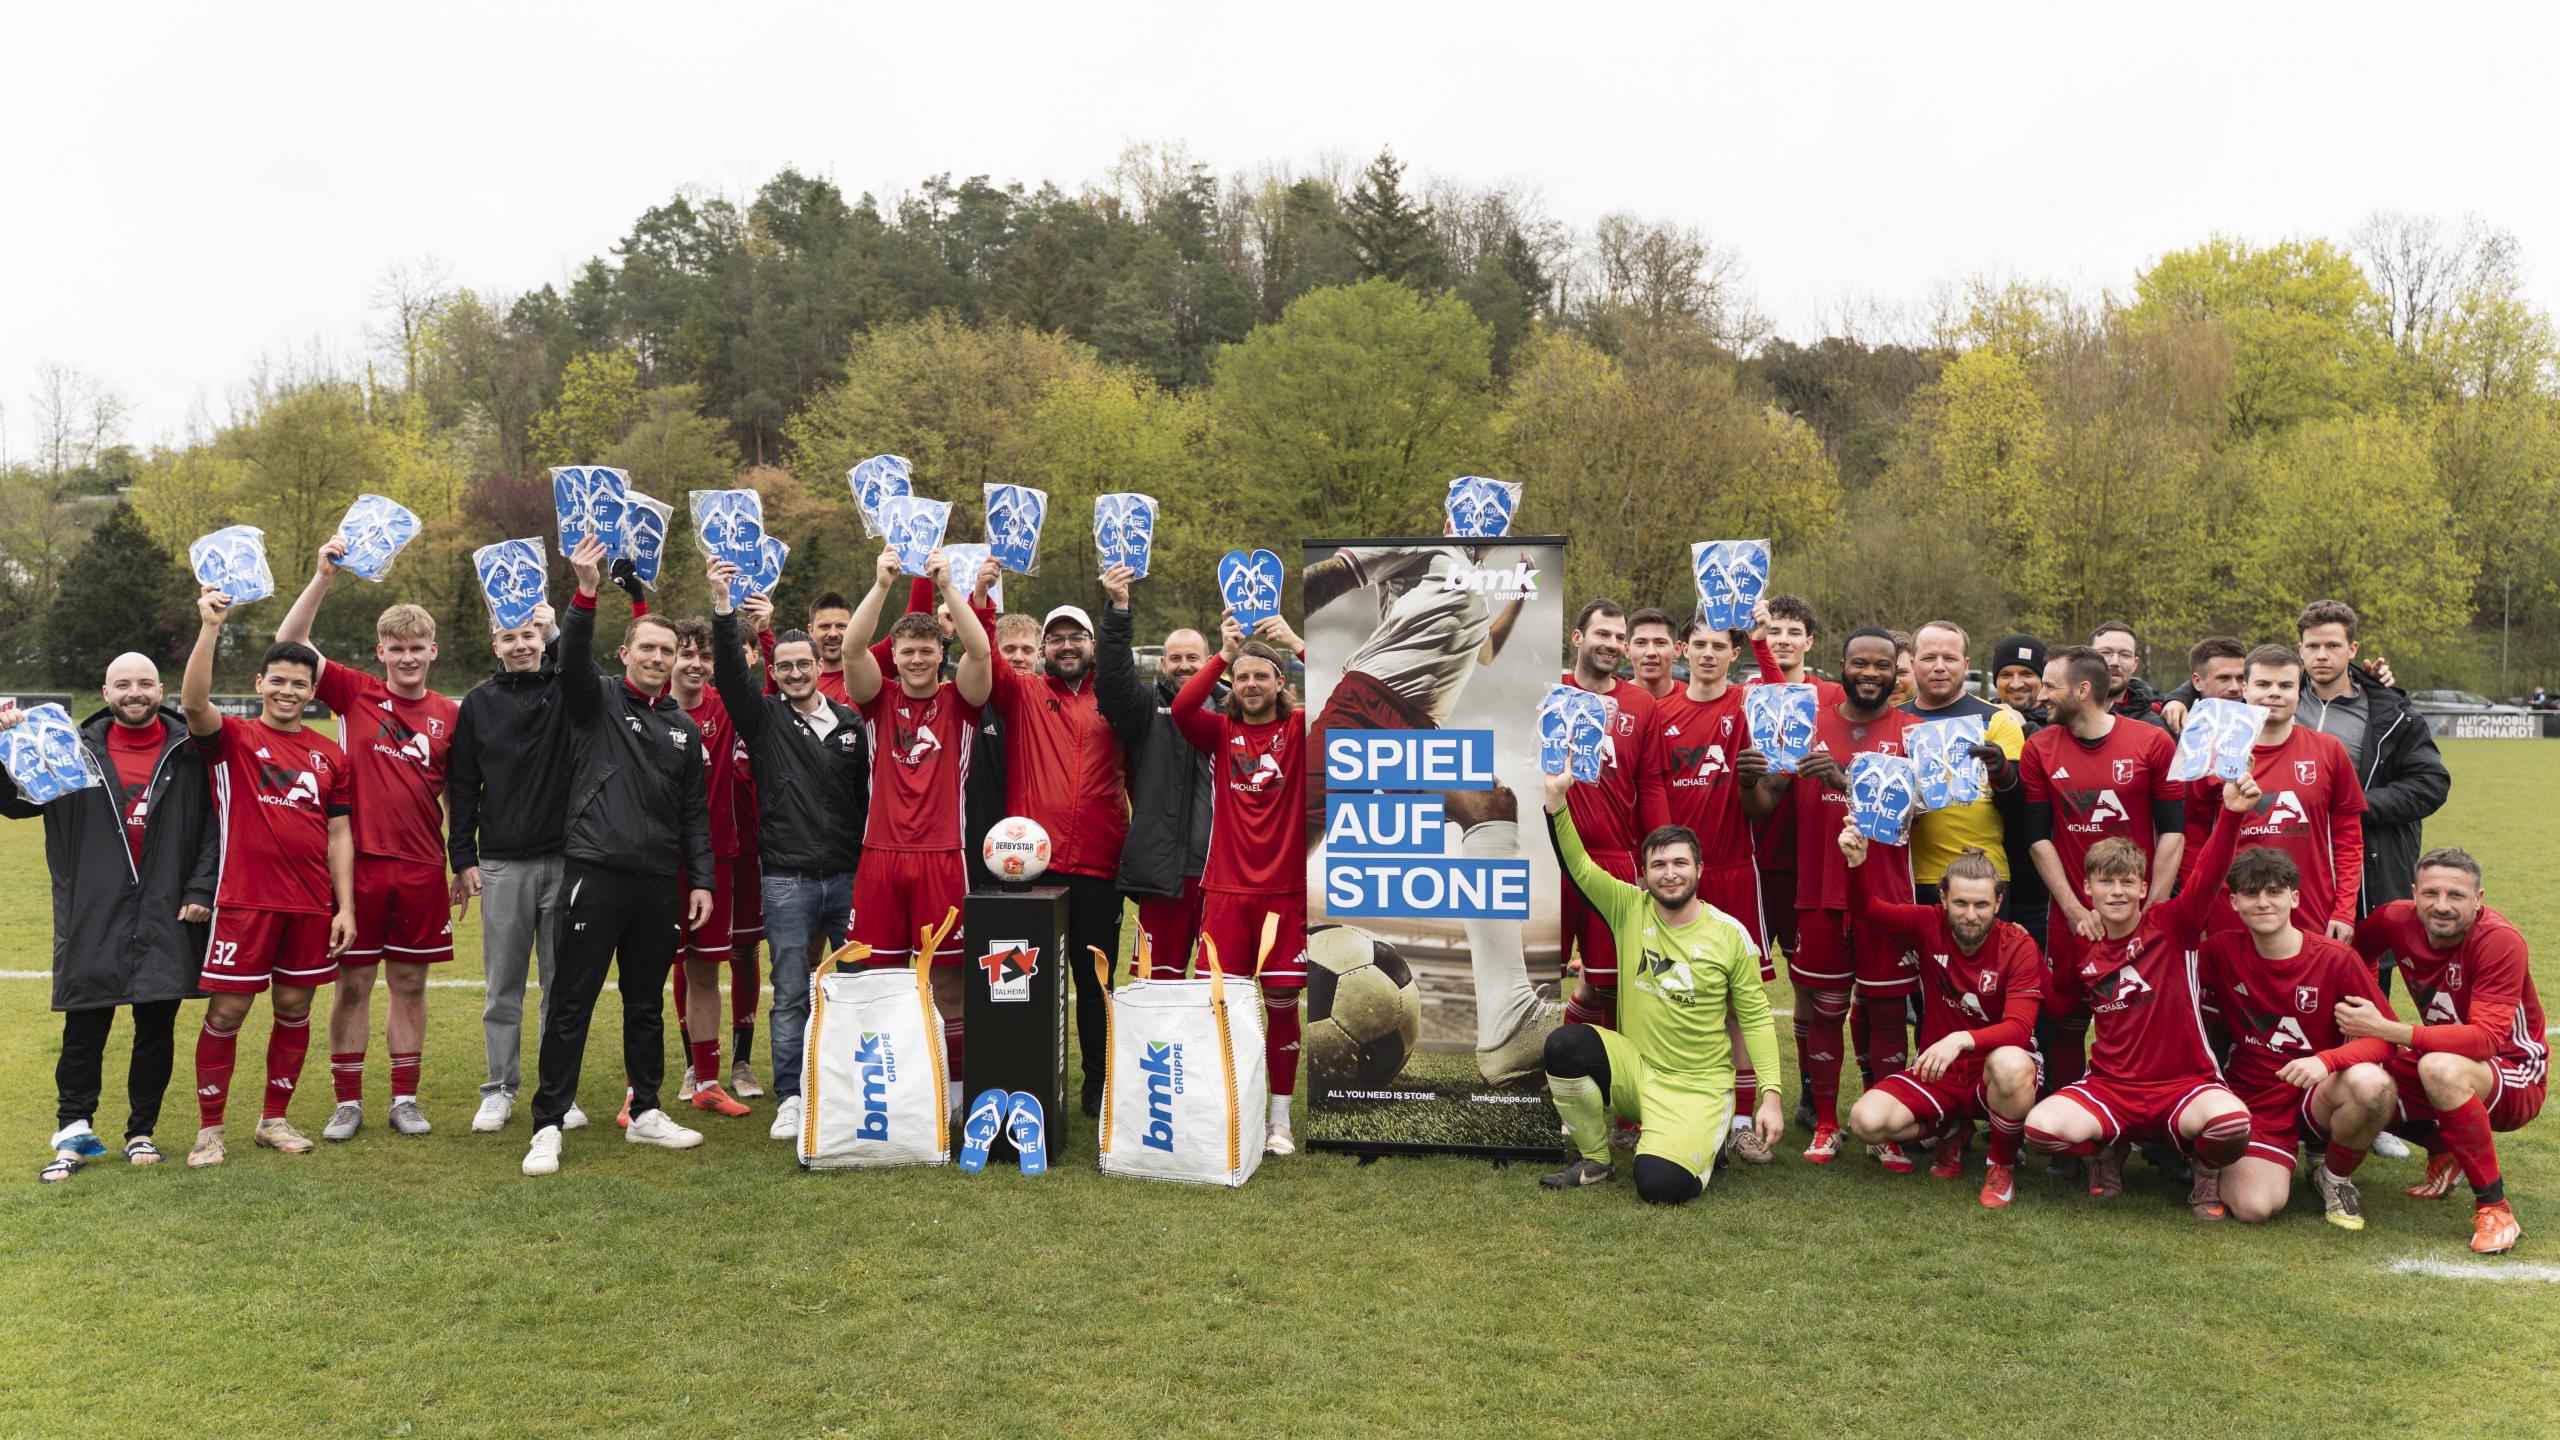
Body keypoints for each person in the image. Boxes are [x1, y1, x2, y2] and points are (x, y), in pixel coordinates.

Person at [1298, 540, 1546, 1086]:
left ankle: (1509, 1026)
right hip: (1364, 702)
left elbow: (1486, 651)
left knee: (1492, 804)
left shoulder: (1475, 588)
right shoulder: (1428, 547)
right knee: (1296, 840)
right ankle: (1257, 967)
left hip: (1418, 726)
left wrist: (1518, 593)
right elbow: (1334, 575)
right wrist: (1286, 615)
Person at [520, 536, 715, 1178]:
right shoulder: (596, 700)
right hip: (595, 873)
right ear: (627, 652)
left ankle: (647, 1111)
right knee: (571, 1002)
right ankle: (548, 1123)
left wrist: (701, 880)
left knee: (645, 1002)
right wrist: (585, 592)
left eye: (668, 651)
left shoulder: (683, 728)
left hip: (657, 884)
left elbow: (694, 814)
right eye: (648, 648)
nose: (658, 658)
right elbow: (572, 656)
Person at [3, 660, 217, 1181]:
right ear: (106, 692)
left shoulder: (190, 751)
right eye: (123, 684)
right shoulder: (70, 748)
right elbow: (15, 805)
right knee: (84, 1027)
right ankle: (73, 1132)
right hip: (94, 909)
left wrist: (199, 889)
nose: (134, 693)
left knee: (156, 1028)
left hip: (166, 907)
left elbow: (215, 826)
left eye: (144, 684)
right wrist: (4, 744)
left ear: (161, 689)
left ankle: (141, 1132)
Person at [276, 538, 457, 1142]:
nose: (407, 658)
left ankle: (405, 1099)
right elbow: (291, 642)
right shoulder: (354, 692)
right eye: (396, 648)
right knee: (352, 985)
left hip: (422, 868)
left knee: (410, 984)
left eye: (416, 648)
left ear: (432, 650)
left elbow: (458, 794)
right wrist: (323, 577)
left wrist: (462, 861)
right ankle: (347, 1102)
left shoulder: (451, 714)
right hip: (357, 868)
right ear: (381, 651)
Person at [1537, 768, 1785, 1201]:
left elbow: (1757, 1021)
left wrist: (1772, 1098)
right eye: (1659, 865)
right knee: (1564, 1045)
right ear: (1646, 872)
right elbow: (1578, 866)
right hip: (1636, 1072)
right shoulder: (1628, 908)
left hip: (1697, 1087)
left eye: (1680, 863)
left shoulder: (1730, 935)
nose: (1670, 874)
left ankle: (1704, 1141)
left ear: (1699, 869)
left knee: (1659, 1185)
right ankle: (1595, 1161)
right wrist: (1557, 802)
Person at [2025, 776, 2260, 1217]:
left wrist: (2230, 815)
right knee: (2041, 1130)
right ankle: (2108, 1149)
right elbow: (2058, 1004)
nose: (2116, 892)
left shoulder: (2173, 924)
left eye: (2126, 882)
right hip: (2112, 1086)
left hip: (2184, 1082)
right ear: (2087, 889)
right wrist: (2029, 958)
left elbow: (2208, 876)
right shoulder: (2082, 944)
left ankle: (2204, 1168)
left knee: (2230, 1124)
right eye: (2105, 882)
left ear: (2142, 888)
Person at [179, 588, 357, 1168]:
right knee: (226, 1014)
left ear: (313, 692)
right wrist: (210, 628)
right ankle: (210, 1131)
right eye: (277, 680)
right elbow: (193, 702)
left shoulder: (331, 756)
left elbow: (339, 835)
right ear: (259, 683)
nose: (288, 690)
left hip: (309, 906)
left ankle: (273, 1120)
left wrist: (345, 907)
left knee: (294, 1010)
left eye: (300, 683)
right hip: (244, 903)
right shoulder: (232, 738)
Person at [708, 559, 868, 1146]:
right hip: (786, 880)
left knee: (855, 989)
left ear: (819, 667)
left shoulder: (851, 723)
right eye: (786, 666)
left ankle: (851, 1089)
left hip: (848, 877)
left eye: (805, 664)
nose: (797, 673)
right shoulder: (765, 719)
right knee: (792, 992)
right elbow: (731, 677)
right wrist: (723, 607)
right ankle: (792, 1097)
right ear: (773, 673)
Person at [1750, 627, 1914, 1167]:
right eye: (1860, 663)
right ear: (1841, 665)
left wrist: (1845, 782)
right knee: (1824, 1008)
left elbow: (1914, 815)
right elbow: (1764, 805)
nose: (1871, 673)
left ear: (1896, 672)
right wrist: (1751, 781)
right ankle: (1824, 1124)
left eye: (1882, 665)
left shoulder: (1911, 733)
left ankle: (1884, 1125)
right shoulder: (1809, 725)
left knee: (1886, 1012)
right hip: (1819, 892)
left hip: (1885, 896)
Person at [840, 545, 994, 1114]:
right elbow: (852, 648)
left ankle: (954, 1096)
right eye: (907, 651)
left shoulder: (963, 701)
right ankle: (889, 1094)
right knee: (877, 983)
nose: (917, 659)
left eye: (927, 650)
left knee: (949, 983)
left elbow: (981, 650)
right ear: (896, 656)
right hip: (879, 857)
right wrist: (882, 584)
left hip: (943, 857)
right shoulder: (876, 699)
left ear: (940, 653)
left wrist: (950, 585)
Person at [981, 594, 1131, 1121]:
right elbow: (986, 656)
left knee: (1094, 985)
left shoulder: (1114, 698)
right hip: (1028, 869)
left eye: (1077, 637)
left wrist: (1119, 609)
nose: (1067, 646)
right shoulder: (1023, 692)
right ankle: (1025, 1081)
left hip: (1098, 864)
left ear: (1092, 644)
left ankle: (1098, 1083)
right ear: (1044, 648)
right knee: (1021, 984)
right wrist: (980, 601)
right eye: (1057, 638)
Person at [1638, 618, 1783, 1162]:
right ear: (1684, 650)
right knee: (1665, 991)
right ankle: (1664, 1108)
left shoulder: (1746, 704)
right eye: (1698, 644)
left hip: (1733, 870)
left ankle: (1742, 1121)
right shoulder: (1660, 712)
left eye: (1718, 645)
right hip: (1674, 880)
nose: (1706, 654)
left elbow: (1781, 698)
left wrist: (1763, 639)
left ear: (1733, 652)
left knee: (1740, 1005)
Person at [2350, 850, 2544, 1255]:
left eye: (2456, 895)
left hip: (2513, 1071)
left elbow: (2486, 1040)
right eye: (2431, 893)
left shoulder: (2499, 941)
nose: (2442, 906)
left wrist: (2389, 1029)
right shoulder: (2393, 918)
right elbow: (2356, 957)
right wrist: (2372, 1010)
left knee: (2439, 1068)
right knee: (2354, 1080)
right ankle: (2442, 1148)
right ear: (2413, 894)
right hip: (2439, 1057)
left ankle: (2495, 1208)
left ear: (2478, 899)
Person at [2193, 846, 2397, 1229]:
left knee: (2374, 1085)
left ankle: (2334, 1177)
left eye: (2274, 892)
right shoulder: (2220, 951)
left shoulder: (2336, 959)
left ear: (2295, 898)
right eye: (2251, 893)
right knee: (2253, 1207)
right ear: (2234, 902)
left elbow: (2386, 1039)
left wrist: (2326, 1061)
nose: (2263, 902)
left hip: (2318, 1093)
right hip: (2256, 1098)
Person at [1838, 835, 2043, 1208]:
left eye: (1982, 904)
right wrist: (1856, 863)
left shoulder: (2018, 946)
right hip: (1940, 1071)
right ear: (1944, 898)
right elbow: (1867, 908)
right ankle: (1949, 1126)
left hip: (1993, 1075)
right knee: (1865, 1121)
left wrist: (1959, 1039)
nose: (1970, 914)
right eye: (1961, 903)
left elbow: (2019, 1029)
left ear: (1998, 902)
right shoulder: (1927, 923)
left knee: (2011, 1064)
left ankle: (2001, 1164)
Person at [1170, 613, 1310, 1154]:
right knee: (1220, 1006)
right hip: (1226, 891)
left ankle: (1279, 1120)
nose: (1251, 685)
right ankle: (1223, 1109)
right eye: (1243, 677)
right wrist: (1224, 656)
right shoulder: (1220, 732)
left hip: (1285, 893)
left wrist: (1295, 643)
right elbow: (1183, 708)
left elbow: (1341, 696)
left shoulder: (1299, 731)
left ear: (1280, 683)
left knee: (1281, 1005)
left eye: (1261, 676)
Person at [446, 600, 587, 1134]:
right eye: (509, 637)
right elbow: (463, 785)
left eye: (529, 635)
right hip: (502, 864)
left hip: (565, 859)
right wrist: (463, 857)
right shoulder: (478, 703)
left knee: (560, 986)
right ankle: (499, 1088)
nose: (520, 645)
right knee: (502, 985)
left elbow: (589, 674)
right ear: (495, 646)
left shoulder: (567, 688)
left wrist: (557, 634)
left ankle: (558, 1093)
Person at [2020, 646, 2184, 1094]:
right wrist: (2074, 909)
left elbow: (2173, 832)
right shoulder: (2039, 748)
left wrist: (2151, 909)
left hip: (2136, 914)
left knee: (2142, 1017)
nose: (2041, 695)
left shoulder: (2152, 742)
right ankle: (2068, 1119)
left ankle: (2144, 1116)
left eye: (2050, 686)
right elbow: (2037, 837)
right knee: (2065, 1019)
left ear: (2082, 690)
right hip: (2072, 917)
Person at [2181, 645, 2366, 939]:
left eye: (2286, 685)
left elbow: (2348, 838)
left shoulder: (2329, 750)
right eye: (2264, 684)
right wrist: (2195, 911)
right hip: (2230, 911)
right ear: (2245, 688)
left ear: (2299, 691)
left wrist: (2344, 911)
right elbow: (2194, 838)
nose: (2274, 693)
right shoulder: (2211, 753)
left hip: (2309, 910)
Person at [1095, 569, 1215, 1011]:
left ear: (1210, 661)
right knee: (1157, 988)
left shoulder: (1233, 707)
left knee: (1219, 989)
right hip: (1166, 875)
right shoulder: (1146, 706)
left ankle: (1213, 1059)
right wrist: (1119, 610)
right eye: (1176, 658)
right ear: (1162, 664)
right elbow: (1111, 683)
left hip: (1222, 874)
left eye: (1193, 658)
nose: (1185, 666)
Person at [1743, 592, 1842, 1129]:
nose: (1781, 640)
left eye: (1791, 632)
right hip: (1753, 861)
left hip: (1809, 865)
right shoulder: (1743, 695)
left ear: (1810, 641)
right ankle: (1736, 1094)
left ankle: (1807, 1089)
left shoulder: (1830, 697)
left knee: (1806, 984)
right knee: (1739, 985)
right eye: (1773, 632)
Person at [651, 616, 754, 1122]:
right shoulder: (647, 708)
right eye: (685, 654)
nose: (694, 664)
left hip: (715, 860)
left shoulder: (726, 707)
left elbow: (749, 675)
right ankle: (640, 1088)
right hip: (655, 860)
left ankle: (708, 1081)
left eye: (704, 656)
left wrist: (735, 614)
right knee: (649, 971)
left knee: (706, 968)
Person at [2294, 600, 2448, 932]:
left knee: (2363, 963)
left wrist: (2354, 806)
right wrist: (2183, 696)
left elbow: (2430, 785)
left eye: (2333, 646)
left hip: (2367, 874)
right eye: (2313, 646)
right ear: (2300, 650)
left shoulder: (2390, 713)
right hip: (2289, 871)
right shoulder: (2277, 700)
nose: (2322, 655)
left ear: (2352, 649)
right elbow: (2220, 678)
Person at [1556, 599, 1657, 1030]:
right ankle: (1539, 1064)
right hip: (1549, 860)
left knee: (1615, 984)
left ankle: (1612, 1064)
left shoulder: (1641, 704)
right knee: (1538, 977)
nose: (1612, 644)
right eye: (1603, 634)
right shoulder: (1549, 692)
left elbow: (1650, 785)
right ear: (1578, 637)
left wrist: (1655, 859)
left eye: (1619, 637)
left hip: (1612, 859)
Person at [1900, 620, 2025, 904]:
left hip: (1982, 877)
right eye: (1929, 658)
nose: (1939, 667)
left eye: (1950, 658)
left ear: (1966, 664)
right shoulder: (1892, 719)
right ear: (1912, 663)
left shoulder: (1998, 720)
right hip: (1908, 875)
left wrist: (2004, 775)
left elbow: (2018, 810)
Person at [2157, 635, 2246, 733]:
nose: (2235, 687)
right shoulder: (2168, 724)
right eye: (2224, 678)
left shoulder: (2258, 713)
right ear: (2198, 682)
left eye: (2241, 678)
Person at [2089, 621, 2168, 729]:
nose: (2115, 662)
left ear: (2135, 664)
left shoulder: (2154, 730)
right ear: (2087, 658)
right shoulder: (2066, 717)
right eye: (2105, 653)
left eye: (2125, 655)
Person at [1989, 634, 2048, 722]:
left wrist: (2026, 727)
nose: (2016, 685)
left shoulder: (2062, 724)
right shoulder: (1976, 719)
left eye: (2027, 674)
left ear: (2044, 680)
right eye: (2006, 675)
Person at [1625, 606, 1680, 702]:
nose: (1651, 652)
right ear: (1627, 650)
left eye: (1661, 643)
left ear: (1677, 649)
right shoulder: (1610, 704)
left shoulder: (1696, 701)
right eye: (1641, 643)